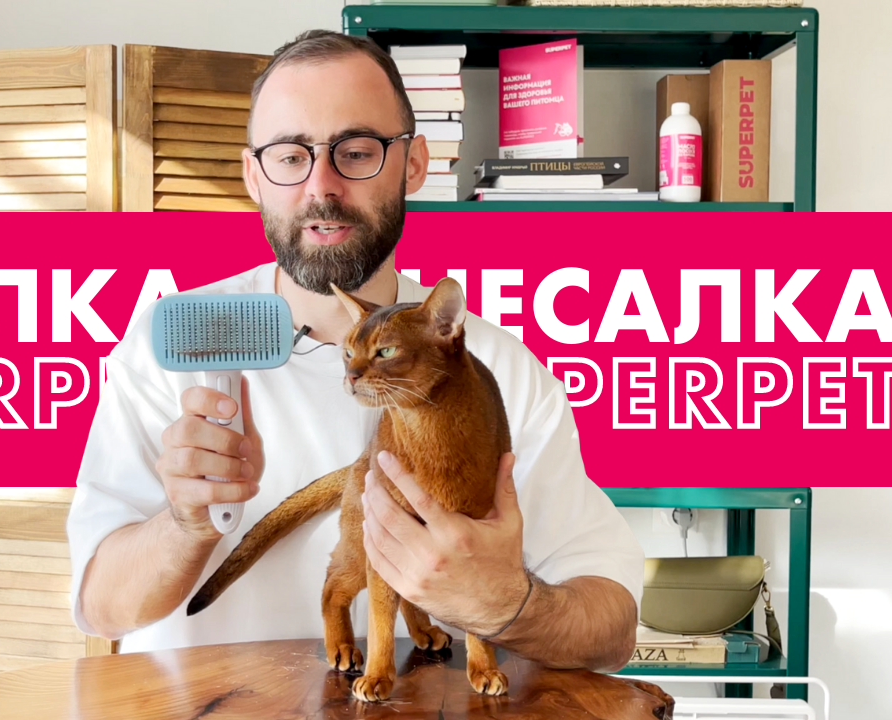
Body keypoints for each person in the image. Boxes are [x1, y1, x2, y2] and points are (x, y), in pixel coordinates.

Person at [66, 29, 644, 672]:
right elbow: (99, 608)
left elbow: (612, 634)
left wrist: (505, 603)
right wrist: (185, 525)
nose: (322, 186)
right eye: (290, 156)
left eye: (357, 151)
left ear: (414, 164)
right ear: (253, 175)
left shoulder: (500, 369)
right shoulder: (169, 346)